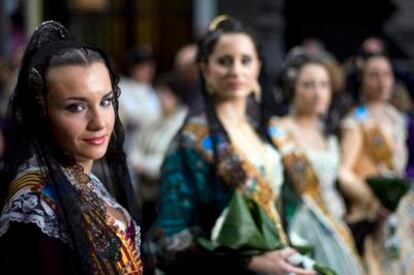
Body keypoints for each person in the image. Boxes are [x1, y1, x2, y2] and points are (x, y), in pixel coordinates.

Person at [152, 16, 315, 275]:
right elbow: (170, 237)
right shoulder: (191, 140)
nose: (236, 71)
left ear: (258, 67)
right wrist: (251, 263)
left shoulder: (268, 131)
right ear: (205, 69)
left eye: (245, 61)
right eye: (224, 61)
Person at [0, 21, 143, 274]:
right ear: (42, 112)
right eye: (76, 107)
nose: (99, 122)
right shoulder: (34, 205)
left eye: (106, 101)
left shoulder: (84, 179)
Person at [269, 49, 363, 274]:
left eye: (324, 85)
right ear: (292, 89)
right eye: (308, 85)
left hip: (336, 226)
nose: (318, 93)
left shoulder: (329, 135)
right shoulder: (279, 130)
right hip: (300, 230)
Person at [339, 53, 408, 275]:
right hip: (370, 214)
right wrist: (371, 199)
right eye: (373, 75)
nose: (382, 81)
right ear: (362, 80)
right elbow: (344, 172)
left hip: (399, 216)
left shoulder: (395, 117)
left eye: (386, 74)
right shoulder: (356, 121)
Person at [128, 74, 188, 232]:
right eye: (159, 94)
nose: (161, 99)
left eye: (166, 95)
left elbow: (170, 159)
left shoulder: (182, 124)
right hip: (145, 192)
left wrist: (145, 165)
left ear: (177, 97)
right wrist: (137, 161)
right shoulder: (154, 120)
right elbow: (137, 145)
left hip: (165, 195)